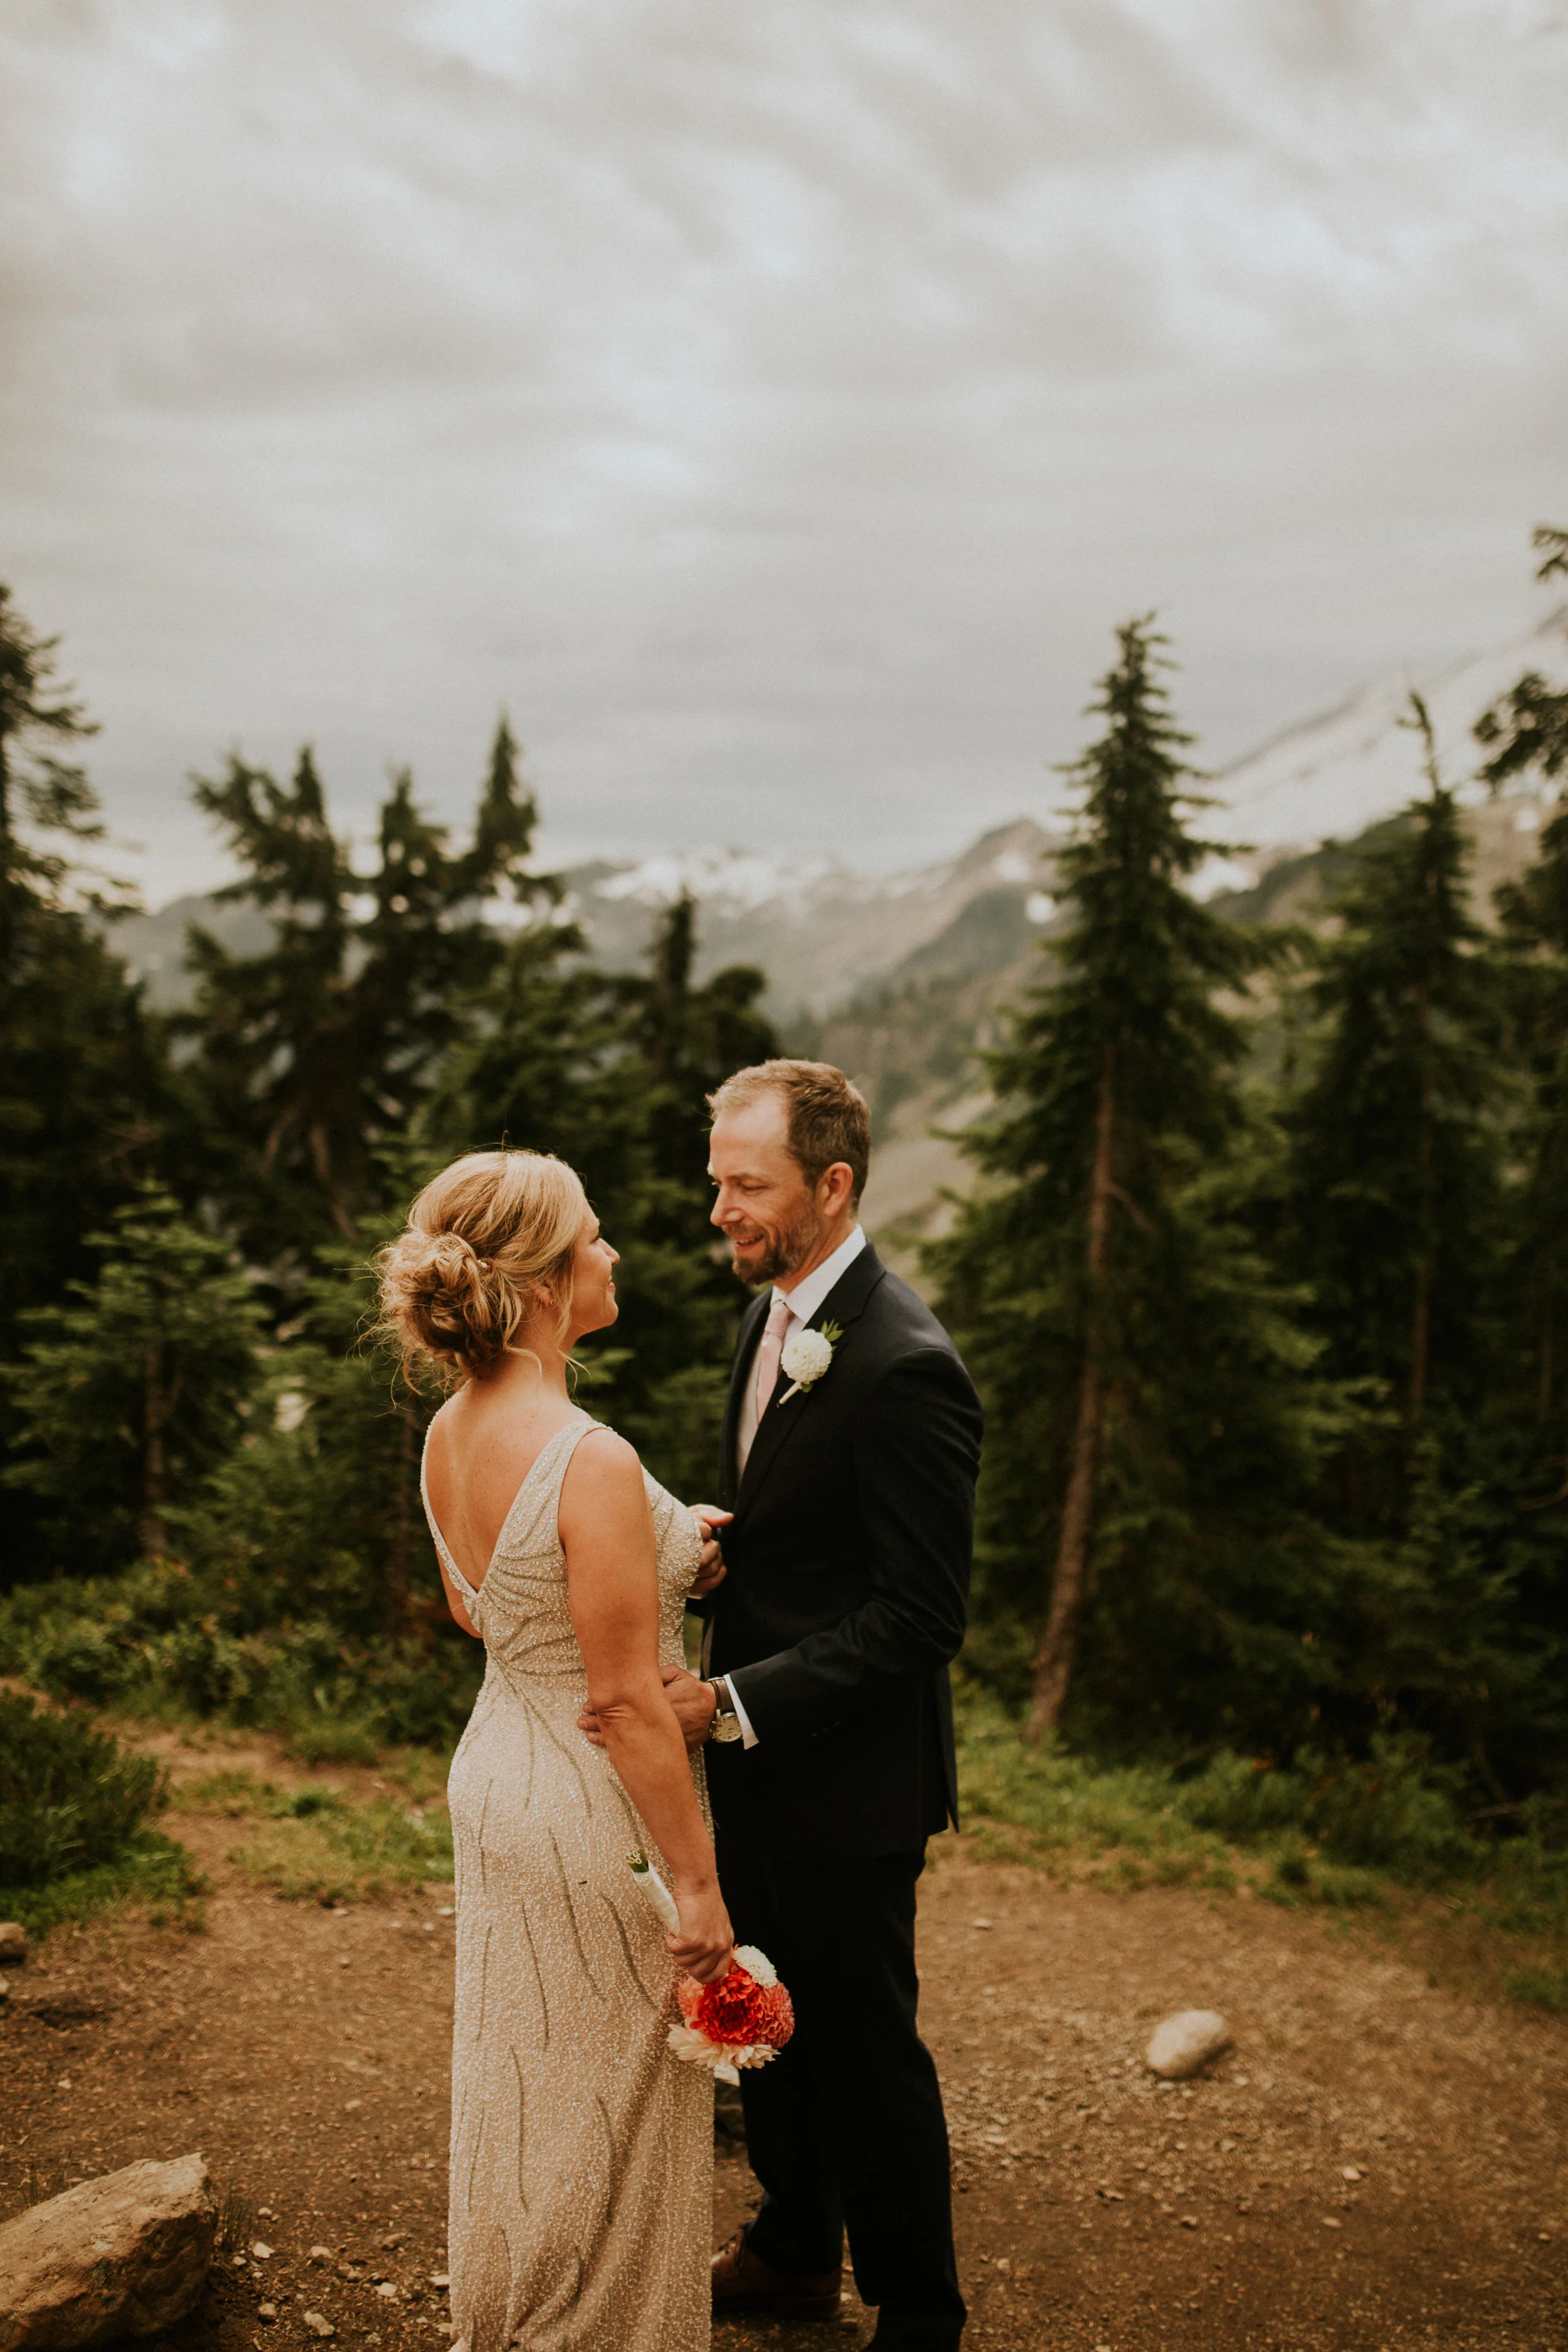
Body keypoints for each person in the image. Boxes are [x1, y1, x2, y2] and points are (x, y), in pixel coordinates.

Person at [584, 1059, 981, 2351]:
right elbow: (802, 1531)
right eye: (717, 1181)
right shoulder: (767, 1316)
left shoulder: (907, 1367)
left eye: (745, 1185)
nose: (719, 1210)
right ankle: (796, 2246)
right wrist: (712, 1555)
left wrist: (729, 1701)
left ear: (833, 1184)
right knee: (760, 2015)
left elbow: (920, 1617)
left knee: (866, 2048)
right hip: (749, 1760)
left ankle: (919, 2311)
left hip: (850, 1780)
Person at [379, 1149, 732, 2352]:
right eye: (593, 1235)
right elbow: (625, 1702)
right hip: (592, 1803)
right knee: (616, 2110)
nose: (611, 1251)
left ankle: (512, 2315)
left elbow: (482, 1607)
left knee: (527, 2081)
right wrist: (697, 1885)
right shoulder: (590, 1456)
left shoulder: (447, 1430)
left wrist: (671, 1548)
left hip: (497, 1775)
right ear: (540, 1282)